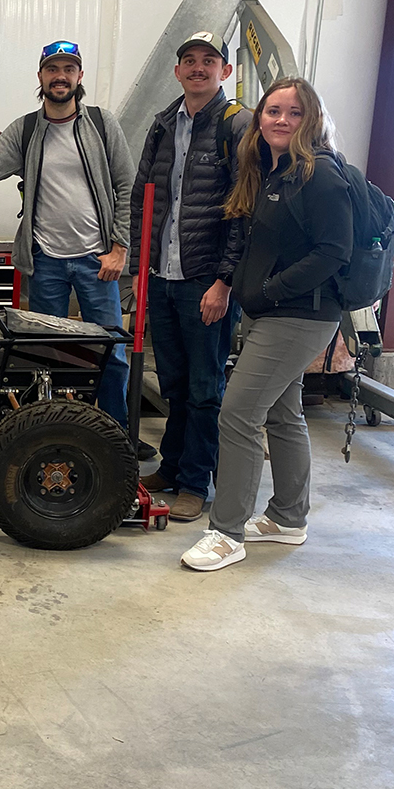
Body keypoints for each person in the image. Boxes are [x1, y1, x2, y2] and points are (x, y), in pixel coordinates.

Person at [181, 77, 353, 572]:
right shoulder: (273, 171)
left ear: (311, 120)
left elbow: (334, 252)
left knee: (237, 414)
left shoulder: (320, 174)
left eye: (295, 112)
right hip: (269, 313)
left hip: (299, 316)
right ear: (260, 117)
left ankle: (226, 532)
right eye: (273, 110)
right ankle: (287, 518)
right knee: (282, 413)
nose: (282, 120)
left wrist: (273, 290)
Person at [0, 40, 135, 435]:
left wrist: (119, 248)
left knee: (111, 353)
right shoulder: (25, 131)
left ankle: (116, 434)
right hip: (46, 263)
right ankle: (52, 431)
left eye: (68, 69)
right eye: (53, 69)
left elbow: (127, 186)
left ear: (79, 76)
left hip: (97, 262)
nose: (61, 77)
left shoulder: (102, 124)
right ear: (40, 76)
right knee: (49, 355)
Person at [130, 31, 252, 521]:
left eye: (209, 60)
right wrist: (140, 270)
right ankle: (173, 466)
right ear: (177, 70)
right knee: (174, 384)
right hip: (162, 276)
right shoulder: (163, 125)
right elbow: (141, 199)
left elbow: (243, 212)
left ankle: (196, 483)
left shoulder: (236, 124)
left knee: (204, 388)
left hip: (206, 280)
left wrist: (225, 282)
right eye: (189, 60)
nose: (198, 68)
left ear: (224, 71)